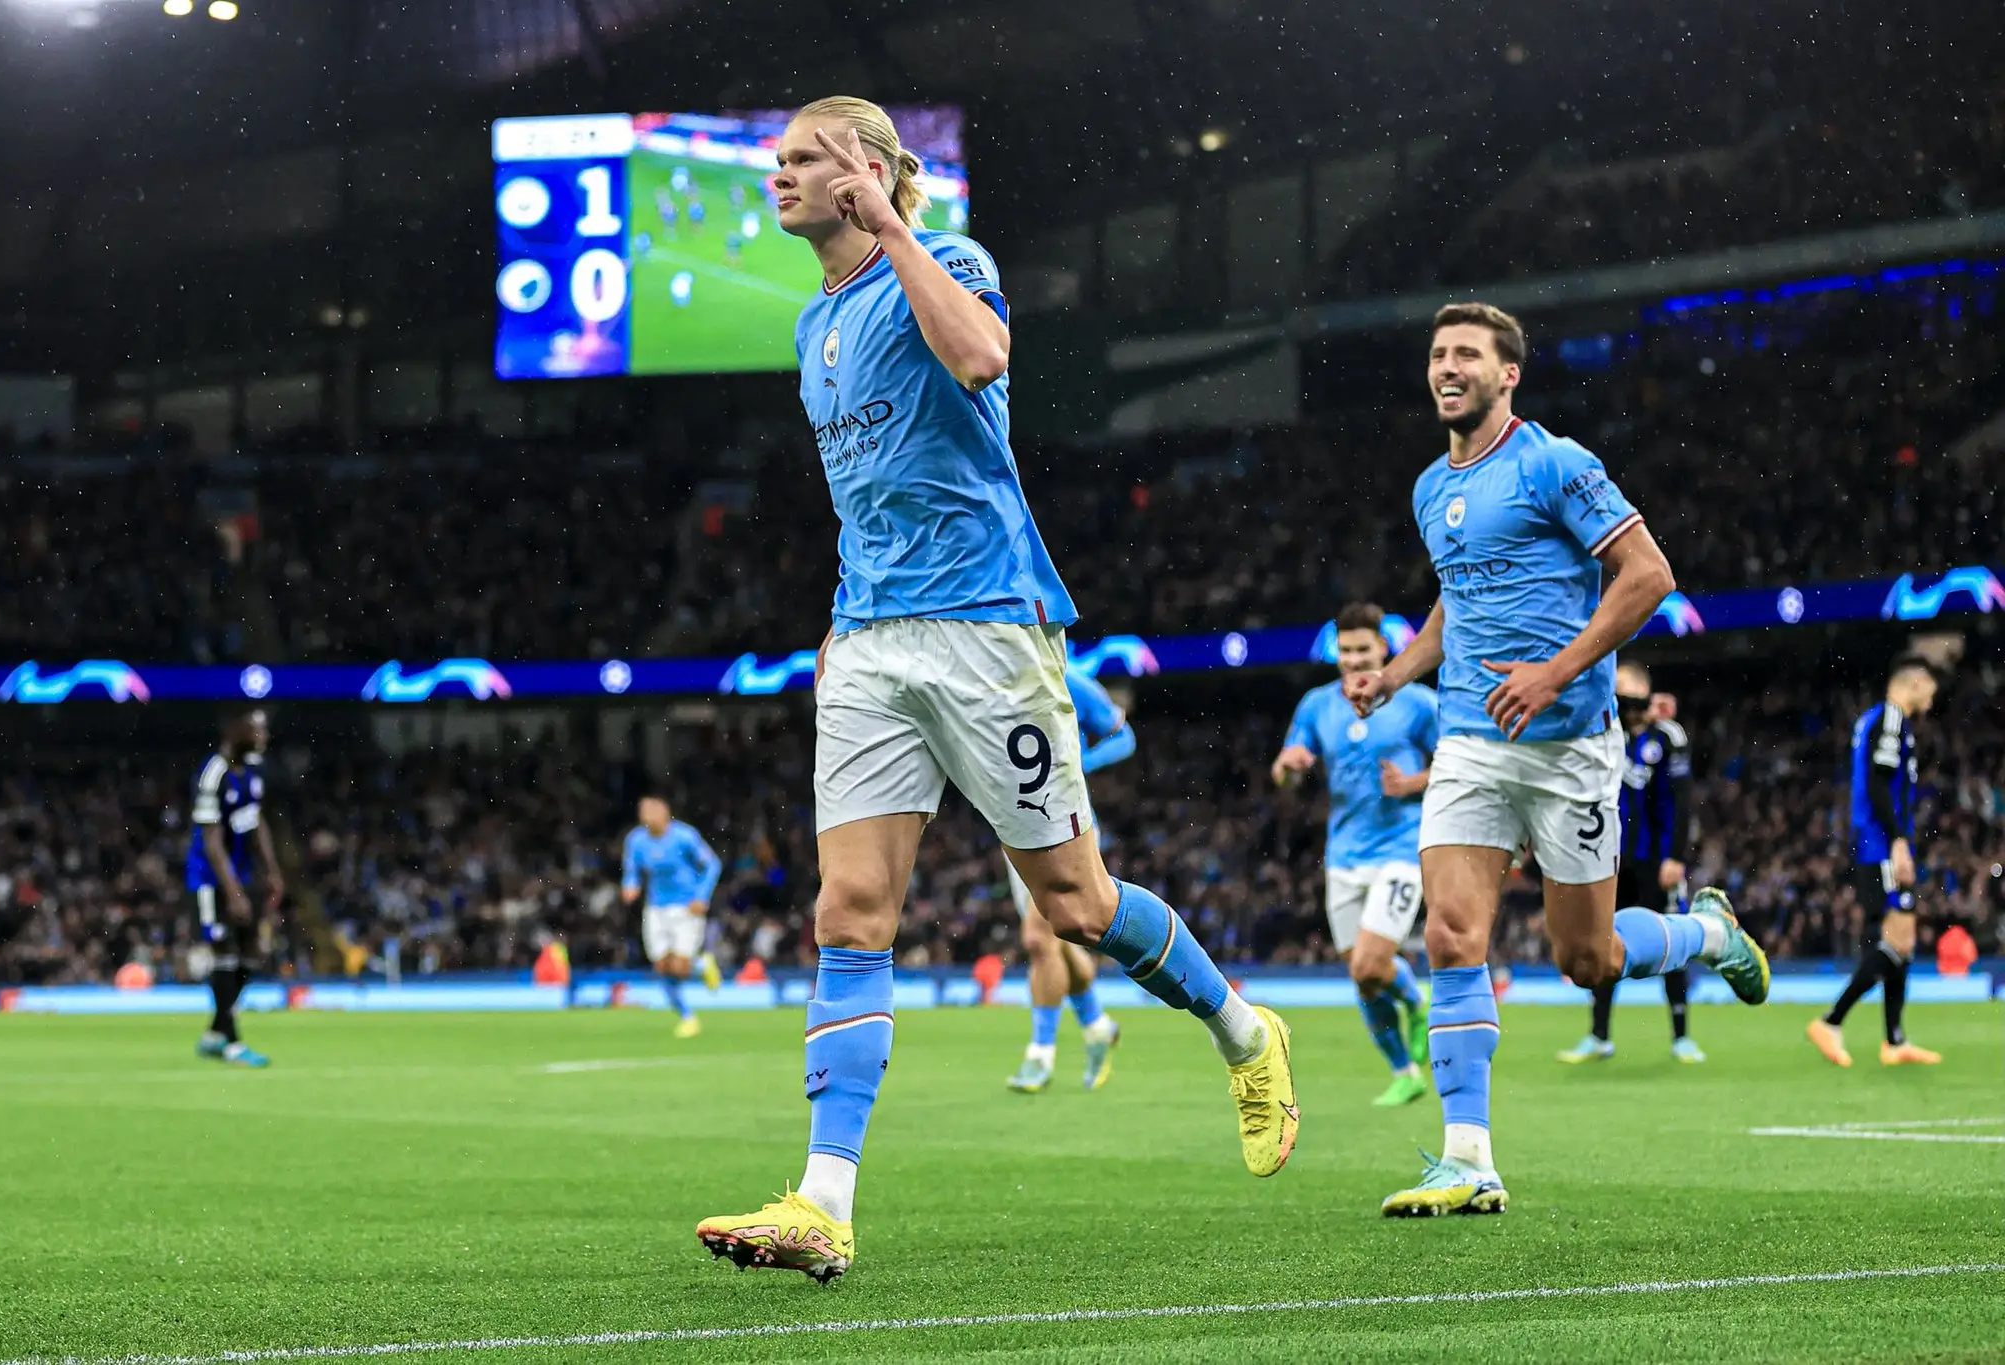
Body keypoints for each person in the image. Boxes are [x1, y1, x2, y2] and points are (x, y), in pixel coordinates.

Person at [697, 96, 1296, 1284]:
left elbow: (980, 358)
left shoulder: (947, 258)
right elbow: (861, 498)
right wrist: (835, 628)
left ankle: (1240, 1026)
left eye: (802, 159)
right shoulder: (813, 322)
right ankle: (823, 1202)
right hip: (867, 641)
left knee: (1074, 903)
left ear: (865, 170)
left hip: (983, 627)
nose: (778, 176)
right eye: (777, 160)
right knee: (848, 914)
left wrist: (896, 228)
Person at [1344, 302, 1770, 1219]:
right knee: (1454, 936)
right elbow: (1453, 603)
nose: (1446, 367)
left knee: (1589, 959)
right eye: (1436, 354)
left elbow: (1649, 574)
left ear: (1509, 375)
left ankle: (1712, 935)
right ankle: (1468, 1160)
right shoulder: (1428, 488)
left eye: (1467, 354)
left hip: (1570, 745)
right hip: (1468, 741)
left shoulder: (1555, 464)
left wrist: (1555, 672)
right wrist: (1396, 676)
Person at [1272, 602, 1439, 1107]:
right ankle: (1404, 1070)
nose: (1353, 659)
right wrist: (1288, 765)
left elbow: (1459, 763)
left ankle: (1416, 999)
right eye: (1345, 651)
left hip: (1401, 848)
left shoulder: (1417, 704)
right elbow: (1285, 777)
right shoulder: (1316, 705)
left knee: (1370, 965)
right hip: (1343, 854)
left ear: (1383, 648)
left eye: (1362, 649)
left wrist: (1411, 783)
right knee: (1363, 981)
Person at [1559, 663, 1704, 1063]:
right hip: (1611, 861)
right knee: (1603, 942)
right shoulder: (1606, 736)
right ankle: (1599, 1035)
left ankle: (1681, 1036)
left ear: (1644, 690)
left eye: (1627, 689)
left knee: (1670, 942)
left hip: (1657, 860)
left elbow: (1682, 803)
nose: (1621, 696)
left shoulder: (1668, 737)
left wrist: (1676, 856)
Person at [1808, 657, 1944, 1067]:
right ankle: (1830, 1022)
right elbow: (1880, 783)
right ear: (1915, 683)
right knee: (1898, 941)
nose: (1933, 698)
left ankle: (1895, 1040)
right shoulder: (1890, 718)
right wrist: (1899, 841)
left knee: (1900, 940)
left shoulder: (1873, 719)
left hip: (1879, 843)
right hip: (1881, 846)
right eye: (1931, 688)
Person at [1005, 666, 1130, 1094]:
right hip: (1012, 829)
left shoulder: (1063, 675)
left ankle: (1040, 1054)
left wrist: (1082, 763)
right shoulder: (986, 677)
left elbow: (1124, 736)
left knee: (1039, 940)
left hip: (1065, 824)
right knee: (1058, 937)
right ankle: (1097, 1025)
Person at [186, 709, 284, 1068]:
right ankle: (231, 1042)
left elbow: (256, 823)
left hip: (241, 878)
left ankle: (215, 1032)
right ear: (235, 730)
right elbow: (212, 841)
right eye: (257, 728)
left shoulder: (252, 771)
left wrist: (273, 871)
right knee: (224, 952)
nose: (263, 735)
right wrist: (233, 892)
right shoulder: (214, 774)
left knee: (252, 954)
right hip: (212, 882)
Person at [621, 796, 724, 1039]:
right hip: (655, 908)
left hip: (686, 907)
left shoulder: (684, 837)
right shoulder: (636, 841)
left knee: (679, 966)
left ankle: (701, 966)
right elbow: (631, 869)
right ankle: (688, 1017)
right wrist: (630, 885)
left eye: (652, 811)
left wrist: (702, 896)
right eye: (643, 811)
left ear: (665, 813)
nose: (647, 816)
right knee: (661, 967)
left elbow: (712, 865)